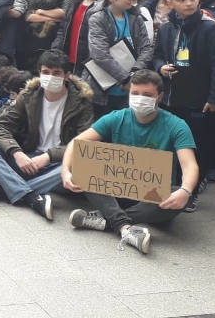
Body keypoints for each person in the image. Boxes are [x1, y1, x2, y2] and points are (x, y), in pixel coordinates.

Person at [61, 70, 198, 254]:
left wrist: (185, 190)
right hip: (116, 190)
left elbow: (189, 164)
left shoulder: (176, 125)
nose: (140, 98)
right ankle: (125, 227)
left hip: (152, 196)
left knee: (178, 194)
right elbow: (77, 143)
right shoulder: (117, 117)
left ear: (160, 97)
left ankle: (107, 219)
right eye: (135, 93)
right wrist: (65, 171)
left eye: (147, 95)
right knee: (84, 164)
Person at [0, 49, 94, 220]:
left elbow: (83, 145)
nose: (50, 77)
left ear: (67, 75)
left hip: (58, 165)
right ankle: (30, 197)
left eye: (56, 73)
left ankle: (11, 189)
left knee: (82, 166)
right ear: (39, 73)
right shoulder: (29, 95)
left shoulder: (82, 101)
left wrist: (48, 156)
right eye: (46, 72)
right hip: (27, 160)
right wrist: (17, 153)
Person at [153, 0, 215, 211]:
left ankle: (191, 191)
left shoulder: (211, 27)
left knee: (196, 146)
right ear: (170, 2)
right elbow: (156, 55)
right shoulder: (166, 27)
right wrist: (160, 68)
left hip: (198, 99)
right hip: (171, 98)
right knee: (169, 144)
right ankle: (169, 186)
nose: (188, 3)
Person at [84, 0, 153, 119]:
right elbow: (100, 55)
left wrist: (136, 72)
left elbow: (146, 48)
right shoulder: (98, 18)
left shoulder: (136, 17)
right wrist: (125, 79)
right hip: (103, 90)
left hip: (130, 89)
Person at [52, 0, 105, 73]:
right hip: (68, 58)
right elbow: (63, 28)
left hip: (87, 62)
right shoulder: (76, 2)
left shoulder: (101, 6)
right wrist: (56, 48)